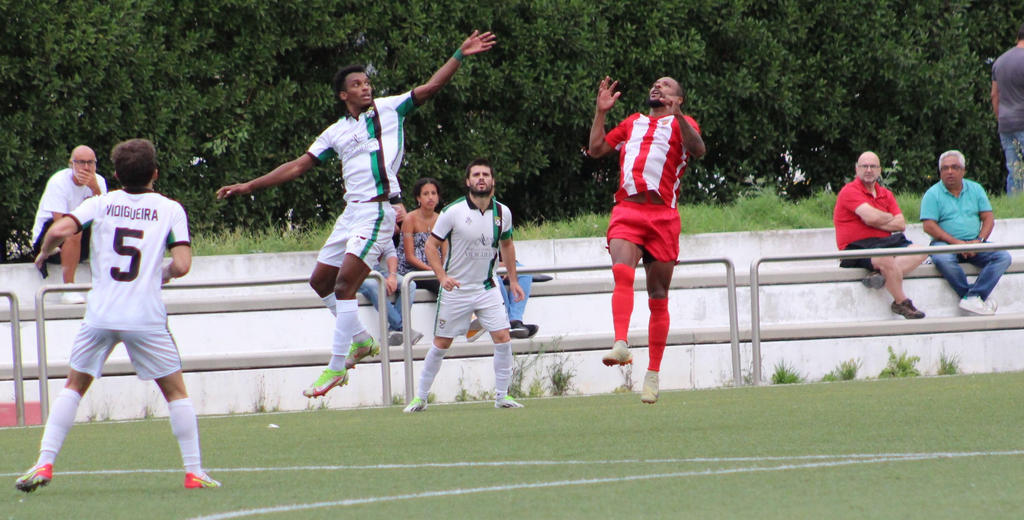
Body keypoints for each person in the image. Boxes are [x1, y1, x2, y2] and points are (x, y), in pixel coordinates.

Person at [216, 30, 496, 398]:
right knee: (320, 282)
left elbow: (430, 88)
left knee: (344, 286)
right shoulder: (336, 132)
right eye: (357, 84)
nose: (366, 88)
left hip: (378, 212)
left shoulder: (388, 109)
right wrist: (249, 186)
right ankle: (362, 340)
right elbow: (298, 166)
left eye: (367, 82)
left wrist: (459, 53)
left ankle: (336, 367)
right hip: (351, 213)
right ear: (343, 95)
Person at [15, 139, 219, 492]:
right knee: (175, 392)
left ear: (116, 174)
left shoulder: (101, 202)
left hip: (101, 315)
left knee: (73, 387)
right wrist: (160, 274)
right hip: (145, 316)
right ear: (155, 173)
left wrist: (45, 251)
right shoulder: (170, 209)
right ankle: (194, 471)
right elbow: (182, 265)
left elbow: (60, 230)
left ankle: (44, 462)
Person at [586, 76, 706, 405]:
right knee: (622, 272)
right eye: (655, 85)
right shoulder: (632, 122)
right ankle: (620, 343)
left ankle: (652, 373)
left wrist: (678, 115)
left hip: (663, 216)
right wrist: (600, 112)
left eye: (666, 86)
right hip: (628, 209)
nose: (657, 87)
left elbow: (698, 150)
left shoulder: (683, 123)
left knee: (658, 295)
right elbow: (596, 149)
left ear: (678, 99)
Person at [403, 159, 525, 412]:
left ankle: (502, 396)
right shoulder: (453, 211)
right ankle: (420, 397)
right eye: (476, 174)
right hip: (456, 289)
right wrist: (442, 277)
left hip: (487, 287)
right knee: (441, 343)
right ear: (468, 181)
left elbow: (507, 245)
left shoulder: (502, 213)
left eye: (486, 174)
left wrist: (513, 280)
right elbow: (431, 246)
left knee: (503, 337)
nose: (481, 178)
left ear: (493, 181)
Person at [833, 151, 928, 319]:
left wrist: (877, 219)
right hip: (857, 248)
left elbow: (900, 224)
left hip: (885, 243)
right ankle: (901, 302)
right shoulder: (849, 191)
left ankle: (880, 275)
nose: (869, 170)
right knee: (885, 258)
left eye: (873, 166)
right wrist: (886, 217)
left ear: (879, 170)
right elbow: (871, 218)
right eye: (864, 166)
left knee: (921, 250)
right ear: (857, 169)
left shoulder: (886, 194)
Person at [920, 150, 1012, 315]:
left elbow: (988, 218)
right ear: (940, 172)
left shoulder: (976, 189)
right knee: (942, 258)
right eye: (945, 168)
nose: (949, 171)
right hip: (945, 244)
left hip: (974, 242)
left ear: (963, 170)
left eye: (954, 167)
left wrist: (979, 241)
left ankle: (973, 296)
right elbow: (929, 226)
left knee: (1003, 256)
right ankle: (972, 297)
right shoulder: (932, 194)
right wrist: (957, 244)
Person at [31, 145, 108, 303]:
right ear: (71, 164)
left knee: (106, 229)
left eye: (90, 163)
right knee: (73, 229)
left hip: (78, 245)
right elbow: (59, 225)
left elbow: (105, 217)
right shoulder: (58, 182)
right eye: (80, 162)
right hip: (50, 243)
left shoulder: (99, 182)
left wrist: (94, 189)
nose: (86, 168)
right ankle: (69, 289)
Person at [357, 240, 423, 346]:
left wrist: (392, 276)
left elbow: (390, 252)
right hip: (355, 271)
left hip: (377, 269)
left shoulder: (383, 231)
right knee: (374, 286)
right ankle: (403, 329)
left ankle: (393, 331)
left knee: (409, 284)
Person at [398, 177, 447, 296]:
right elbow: (409, 257)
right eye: (426, 194)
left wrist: (441, 270)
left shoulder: (442, 219)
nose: (430, 197)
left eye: (433, 193)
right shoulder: (410, 219)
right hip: (412, 271)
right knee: (443, 286)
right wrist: (432, 270)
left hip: (436, 271)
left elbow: (445, 252)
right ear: (418, 198)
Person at [991, 22, 1024, 194]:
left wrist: (1000, 118)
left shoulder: (1000, 61)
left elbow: (994, 95)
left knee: (1015, 171)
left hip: (1006, 123)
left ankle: (1016, 205)